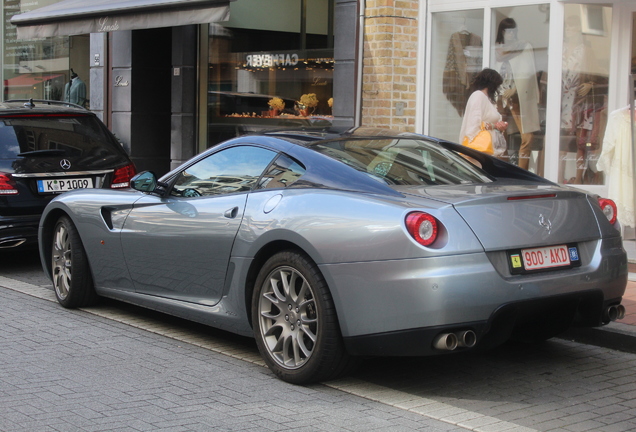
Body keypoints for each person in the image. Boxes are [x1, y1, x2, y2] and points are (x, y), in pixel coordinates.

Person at [494, 18, 540, 170]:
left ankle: (523, 170)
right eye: (507, 31)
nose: (511, 34)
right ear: (502, 32)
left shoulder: (524, 47)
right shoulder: (497, 49)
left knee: (527, 136)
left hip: (518, 97)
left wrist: (514, 90)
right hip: (500, 97)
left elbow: (528, 73)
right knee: (501, 136)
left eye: (513, 31)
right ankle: (504, 170)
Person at [459, 68, 508, 153]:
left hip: (488, 148)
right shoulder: (478, 96)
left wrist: (499, 126)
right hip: (477, 149)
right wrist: (495, 126)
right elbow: (474, 125)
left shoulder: (488, 99)